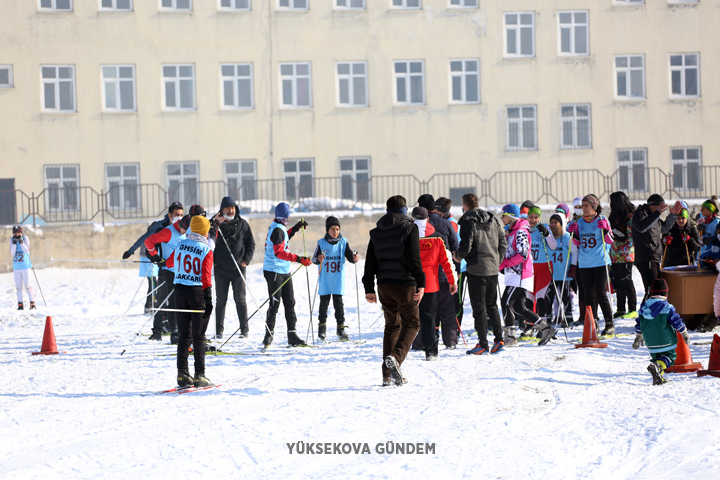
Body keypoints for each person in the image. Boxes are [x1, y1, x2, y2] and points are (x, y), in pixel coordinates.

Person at [363, 195, 425, 387]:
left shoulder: (376, 231)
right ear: (404, 210)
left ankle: (387, 375)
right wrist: (421, 283)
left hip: (384, 285)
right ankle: (396, 359)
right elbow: (414, 258)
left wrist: (369, 288)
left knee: (391, 326)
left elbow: (370, 262)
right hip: (405, 284)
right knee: (413, 323)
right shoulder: (410, 227)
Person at [453, 193, 507, 355]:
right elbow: (503, 241)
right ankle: (499, 339)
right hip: (492, 268)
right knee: (492, 305)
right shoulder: (493, 218)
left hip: (476, 268)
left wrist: (458, 257)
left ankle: (483, 343)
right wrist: (498, 259)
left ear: (465, 205)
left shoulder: (469, 221)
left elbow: (466, 244)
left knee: (479, 308)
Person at [499, 204, 555, 346]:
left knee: (506, 302)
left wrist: (505, 263)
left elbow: (523, 254)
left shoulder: (521, 231)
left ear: (511, 216)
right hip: (514, 274)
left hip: (521, 274)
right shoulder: (511, 231)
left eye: (503, 215)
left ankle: (510, 338)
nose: (501, 218)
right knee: (519, 307)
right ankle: (546, 328)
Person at [262, 202, 312, 347]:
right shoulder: (277, 230)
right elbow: (279, 252)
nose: (288, 218)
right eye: (288, 216)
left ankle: (292, 335)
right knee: (275, 304)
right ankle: (268, 335)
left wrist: (296, 228)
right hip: (274, 271)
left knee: (290, 302)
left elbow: (285, 237)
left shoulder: (279, 226)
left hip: (283, 270)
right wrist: (298, 258)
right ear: (284, 216)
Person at [174, 215, 215, 388]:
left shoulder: (180, 244)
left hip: (179, 290)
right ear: (205, 231)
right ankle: (200, 374)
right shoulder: (206, 250)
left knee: (184, 335)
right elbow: (206, 275)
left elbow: (172, 263)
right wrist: (209, 298)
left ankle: (182, 373)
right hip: (197, 292)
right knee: (199, 336)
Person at [411, 207, 457, 360]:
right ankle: (431, 351)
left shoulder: (406, 236)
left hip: (409, 283)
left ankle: (402, 349)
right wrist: (452, 281)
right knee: (429, 318)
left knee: (408, 318)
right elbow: (446, 261)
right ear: (427, 219)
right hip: (430, 283)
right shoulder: (437, 237)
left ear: (412, 218)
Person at [123, 201, 184, 318]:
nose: (179, 218)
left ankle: (171, 324)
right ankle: (157, 326)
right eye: (177, 215)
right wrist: (131, 251)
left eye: (181, 215)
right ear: (170, 215)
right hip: (162, 265)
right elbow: (145, 239)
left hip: (177, 267)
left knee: (175, 298)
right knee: (160, 293)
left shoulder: (182, 227)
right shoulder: (160, 226)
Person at [568, 194, 615, 335]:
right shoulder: (580, 222)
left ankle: (609, 323)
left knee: (601, 293)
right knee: (588, 295)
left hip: (600, 262)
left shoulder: (602, 220)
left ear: (594, 207)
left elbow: (610, 241)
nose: (583, 209)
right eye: (582, 206)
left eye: (586, 206)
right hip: (584, 263)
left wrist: (606, 229)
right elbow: (577, 242)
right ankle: (592, 322)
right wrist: (574, 233)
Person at [211, 196, 255, 339]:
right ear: (221, 210)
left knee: (240, 299)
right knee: (221, 301)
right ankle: (219, 331)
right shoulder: (215, 225)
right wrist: (214, 262)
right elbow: (207, 242)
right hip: (221, 270)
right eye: (227, 208)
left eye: (233, 208)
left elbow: (251, 244)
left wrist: (245, 261)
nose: (231, 210)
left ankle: (244, 330)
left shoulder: (242, 224)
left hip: (238, 269)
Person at [632, 278, 690, 386]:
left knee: (657, 358)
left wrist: (638, 337)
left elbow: (639, 324)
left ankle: (659, 378)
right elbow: (676, 321)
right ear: (666, 293)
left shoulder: (643, 308)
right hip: (666, 340)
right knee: (670, 357)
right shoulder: (667, 307)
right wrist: (684, 333)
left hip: (650, 342)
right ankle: (658, 366)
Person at [311, 216, 359, 341]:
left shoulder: (343, 242)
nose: (335, 232)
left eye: (337, 229)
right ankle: (322, 330)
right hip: (325, 280)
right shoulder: (321, 243)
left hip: (337, 279)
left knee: (339, 306)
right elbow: (314, 259)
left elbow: (349, 256)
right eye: (333, 229)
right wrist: (319, 259)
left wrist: (354, 258)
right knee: (323, 306)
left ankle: (340, 329)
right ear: (327, 230)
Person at [145, 213, 191, 343]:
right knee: (172, 302)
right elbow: (149, 241)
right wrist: (155, 256)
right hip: (170, 272)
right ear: (181, 225)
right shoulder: (168, 233)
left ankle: (185, 331)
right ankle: (174, 333)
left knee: (185, 302)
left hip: (183, 271)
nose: (186, 233)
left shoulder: (188, 232)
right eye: (185, 230)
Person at [632, 194, 682, 303]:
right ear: (652, 206)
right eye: (660, 207)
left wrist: (673, 215)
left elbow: (663, 229)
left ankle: (653, 314)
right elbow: (641, 227)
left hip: (654, 257)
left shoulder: (654, 216)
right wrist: (657, 213)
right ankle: (644, 315)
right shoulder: (641, 214)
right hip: (646, 257)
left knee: (656, 290)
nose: (662, 209)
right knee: (651, 290)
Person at [435, 197, 466, 326]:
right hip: (444, 266)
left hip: (456, 267)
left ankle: (456, 328)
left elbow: (455, 248)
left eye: (437, 211)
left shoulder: (451, 224)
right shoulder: (441, 221)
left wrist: (457, 270)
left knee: (455, 300)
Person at [608, 191, 638, 319]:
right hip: (614, 254)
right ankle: (620, 308)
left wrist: (620, 241)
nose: (610, 204)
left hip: (625, 254)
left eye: (612, 201)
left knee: (627, 281)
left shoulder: (630, 217)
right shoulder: (613, 217)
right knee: (617, 282)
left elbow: (631, 237)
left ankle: (632, 308)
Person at [545, 212, 577, 325]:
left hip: (564, 273)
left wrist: (573, 267)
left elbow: (574, 252)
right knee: (549, 298)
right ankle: (548, 319)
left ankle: (568, 319)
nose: (553, 225)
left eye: (556, 223)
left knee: (565, 297)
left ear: (561, 224)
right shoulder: (548, 237)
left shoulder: (567, 237)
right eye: (551, 223)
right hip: (551, 273)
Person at [527, 205, 558, 318]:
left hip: (544, 266)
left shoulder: (543, 227)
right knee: (529, 297)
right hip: (529, 268)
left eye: (536, 217)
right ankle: (529, 325)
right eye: (531, 217)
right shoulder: (524, 229)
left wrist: (546, 234)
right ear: (527, 216)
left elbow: (554, 246)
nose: (533, 220)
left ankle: (543, 324)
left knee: (540, 296)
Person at [10, 225, 35, 310]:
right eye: (15, 233)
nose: (17, 234)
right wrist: (14, 244)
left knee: (28, 286)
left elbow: (26, 250)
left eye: (18, 232)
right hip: (16, 267)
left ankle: (32, 303)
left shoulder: (25, 239)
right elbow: (12, 252)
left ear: (21, 232)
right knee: (18, 287)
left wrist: (21, 243)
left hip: (25, 266)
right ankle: (20, 305)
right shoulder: (12, 240)